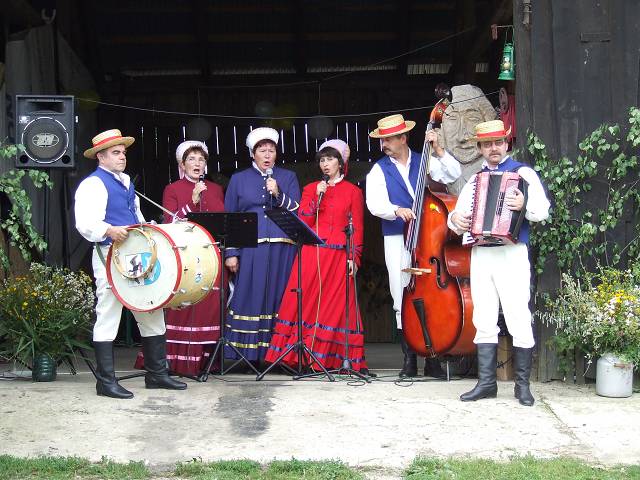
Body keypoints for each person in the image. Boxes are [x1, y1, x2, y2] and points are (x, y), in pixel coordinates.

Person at [74, 129, 187, 399]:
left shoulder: (126, 182)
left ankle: (157, 374)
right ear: (101, 157)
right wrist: (108, 230)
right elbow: (85, 222)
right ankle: (105, 382)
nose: (122, 157)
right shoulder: (93, 184)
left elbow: (136, 217)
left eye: (123, 152)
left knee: (150, 307)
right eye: (115, 153)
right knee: (109, 312)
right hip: (108, 254)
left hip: (135, 255)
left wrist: (150, 228)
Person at [448, 120, 550, 406]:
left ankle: (522, 386)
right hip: (482, 254)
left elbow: (542, 212)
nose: (493, 148)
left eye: (498, 143)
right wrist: (456, 219)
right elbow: (455, 217)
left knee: (518, 314)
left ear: (506, 144)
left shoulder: (523, 173)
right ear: (480, 148)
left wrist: (523, 205)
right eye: (487, 144)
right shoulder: (475, 179)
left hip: (511, 253)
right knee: (483, 316)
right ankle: (486, 384)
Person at [365, 114, 461, 378]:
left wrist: (439, 150)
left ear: (403, 138)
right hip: (397, 236)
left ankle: (432, 359)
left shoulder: (424, 159)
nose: (384, 144)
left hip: (428, 238)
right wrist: (396, 210)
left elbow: (453, 173)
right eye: (382, 140)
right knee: (400, 294)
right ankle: (409, 359)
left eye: (388, 139)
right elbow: (375, 204)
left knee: (432, 298)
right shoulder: (379, 169)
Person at [266, 140, 370, 374]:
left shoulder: (353, 192)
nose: (325, 164)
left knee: (336, 307)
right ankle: (300, 358)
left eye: (330, 159)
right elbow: (303, 219)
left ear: (340, 163)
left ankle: (332, 360)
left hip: (338, 255)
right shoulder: (311, 188)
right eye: (322, 160)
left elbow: (357, 227)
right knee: (305, 302)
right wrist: (316, 198)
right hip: (312, 253)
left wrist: (354, 256)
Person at [133, 141, 225, 376]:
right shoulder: (173, 189)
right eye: (191, 159)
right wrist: (192, 200)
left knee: (210, 306)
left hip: (212, 253)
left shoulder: (216, 189)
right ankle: (178, 362)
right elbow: (169, 222)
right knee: (184, 305)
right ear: (182, 165)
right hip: (185, 254)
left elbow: (223, 222)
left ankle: (206, 362)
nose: (197, 163)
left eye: (201, 159)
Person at [224, 127, 301, 364]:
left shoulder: (288, 177)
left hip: (282, 249)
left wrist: (278, 193)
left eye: (271, 150)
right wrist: (231, 252)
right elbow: (230, 217)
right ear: (252, 154)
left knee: (279, 298)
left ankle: (278, 355)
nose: (267, 155)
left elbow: (297, 211)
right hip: (250, 247)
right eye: (262, 150)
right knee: (250, 296)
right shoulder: (238, 179)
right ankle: (247, 356)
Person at [438, 84, 497, 195]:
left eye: (472, 119)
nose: (462, 138)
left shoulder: (501, 167)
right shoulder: (433, 168)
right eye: (453, 119)